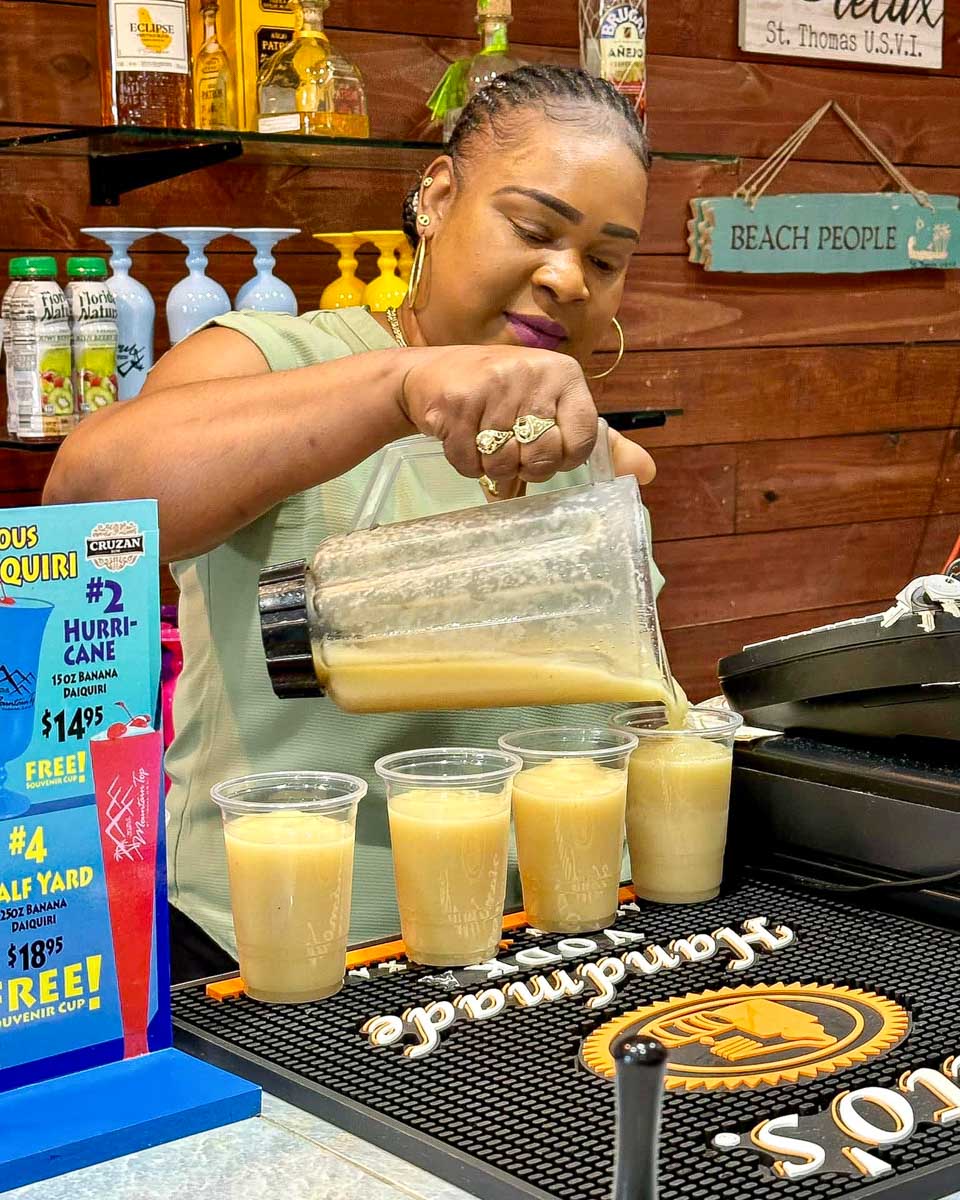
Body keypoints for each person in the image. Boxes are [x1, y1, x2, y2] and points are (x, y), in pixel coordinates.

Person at [44, 65, 659, 980]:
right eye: (533, 229)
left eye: (606, 261)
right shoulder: (273, 361)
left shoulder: (578, 439)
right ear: (439, 196)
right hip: (306, 957)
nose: (567, 279)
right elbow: (88, 513)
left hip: (567, 943)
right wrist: (402, 385)